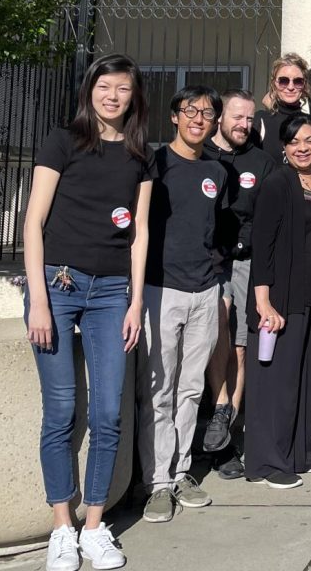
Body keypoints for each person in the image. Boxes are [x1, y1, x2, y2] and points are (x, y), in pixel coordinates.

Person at [22, 54, 152, 571]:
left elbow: (139, 232)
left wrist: (136, 300)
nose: (113, 96)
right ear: (90, 90)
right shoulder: (63, 141)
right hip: (59, 284)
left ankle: (94, 527)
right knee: (60, 412)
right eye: (105, 86)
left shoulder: (141, 156)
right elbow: (34, 223)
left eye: (123, 88)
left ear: (133, 97)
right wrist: (37, 298)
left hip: (111, 292)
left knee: (106, 414)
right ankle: (62, 528)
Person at [139, 86, 228, 523]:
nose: (198, 118)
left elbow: (219, 229)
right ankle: (157, 483)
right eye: (190, 111)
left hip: (204, 291)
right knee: (159, 389)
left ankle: (180, 472)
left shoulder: (217, 170)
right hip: (160, 289)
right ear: (174, 116)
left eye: (207, 113)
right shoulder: (153, 165)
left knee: (191, 388)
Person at [245, 114, 311, 489]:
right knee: (280, 380)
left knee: (309, 378)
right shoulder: (277, 184)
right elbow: (263, 247)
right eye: (294, 142)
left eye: (309, 140)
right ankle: (271, 461)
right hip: (288, 296)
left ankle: (301, 451)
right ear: (284, 148)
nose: (302, 147)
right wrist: (264, 302)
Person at [202, 89, 276, 478]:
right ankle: (220, 407)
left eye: (250, 119)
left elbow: (266, 219)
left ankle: (224, 436)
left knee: (241, 350)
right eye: (237, 117)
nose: (244, 125)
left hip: (246, 262)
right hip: (207, 265)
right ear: (219, 117)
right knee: (218, 335)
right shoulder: (200, 154)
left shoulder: (261, 162)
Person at [254, 53, 310, 165]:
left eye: (298, 81)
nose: (290, 87)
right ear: (274, 84)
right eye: (283, 81)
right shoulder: (261, 120)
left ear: (304, 85)